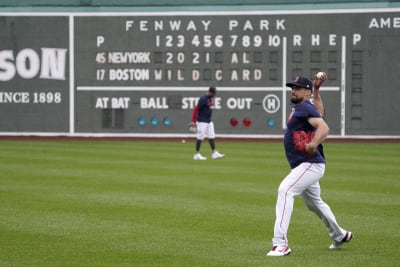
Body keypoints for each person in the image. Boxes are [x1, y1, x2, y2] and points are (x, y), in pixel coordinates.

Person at [266, 74, 353, 256]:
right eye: (292, 88)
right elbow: (319, 113)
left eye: (297, 88)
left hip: (310, 164)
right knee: (314, 204)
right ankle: (340, 234)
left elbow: (324, 127)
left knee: (285, 190)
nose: (293, 90)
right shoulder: (304, 107)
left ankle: (280, 244)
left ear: (306, 92)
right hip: (303, 165)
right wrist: (318, 91)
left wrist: (313, 144)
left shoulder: (304, 106)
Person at [191, 87, 224, 160]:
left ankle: (214, 153)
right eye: (213, 93)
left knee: (211, 136)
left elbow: (208, 106)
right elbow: (196, 109)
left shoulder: (210, 98)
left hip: (208, 121)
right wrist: (193, 121)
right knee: (200, 137)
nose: (214, 95)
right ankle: (197, 154)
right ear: (209, 92)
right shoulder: (203, 99)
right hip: (202, 121)